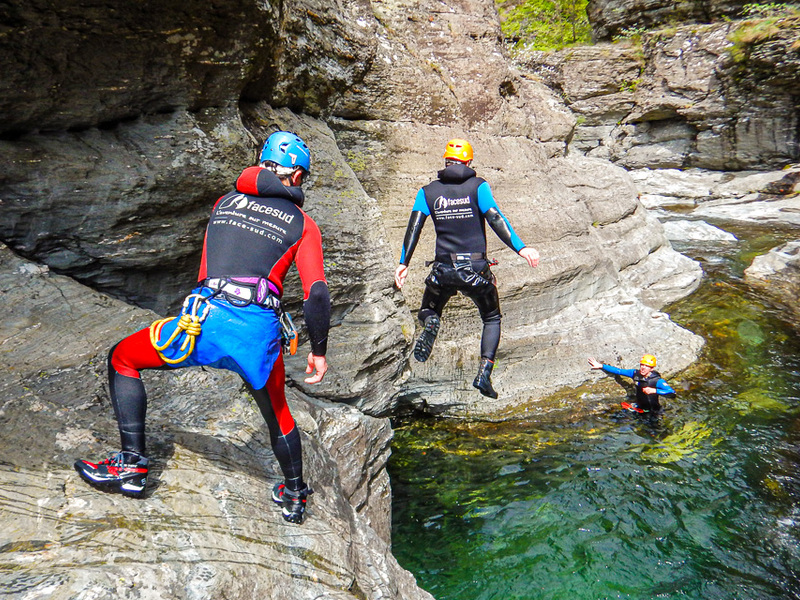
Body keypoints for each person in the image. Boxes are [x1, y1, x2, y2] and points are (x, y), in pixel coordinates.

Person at [74, 131, 331, 525]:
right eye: (303, 177)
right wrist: (318, 351)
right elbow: (316, 294)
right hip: (254, 335)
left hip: (200, 323)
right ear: (295, 175)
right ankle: (294, 496)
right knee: (278, 411)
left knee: (122, 358)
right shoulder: (304, 225)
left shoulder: (224, 202)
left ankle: (131, 464)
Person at [394, 138, 539, 399]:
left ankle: (432, 322)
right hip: (475, 270)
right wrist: (521, 248)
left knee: (427, 310)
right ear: (469, 162)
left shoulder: (427, 191)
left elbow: (413, 227)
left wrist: (404, 263)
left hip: (443, 269)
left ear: (445, 161)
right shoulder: (478, 186)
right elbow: (495, 218)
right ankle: (484, 373)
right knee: (491, 318)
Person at [588, 354, 676, 413]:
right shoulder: (634, 373)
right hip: (639, 408)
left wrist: (654, 390)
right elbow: (619, 371)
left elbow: (672, 393)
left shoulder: (657, 381)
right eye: (642, 365)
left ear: (651, 369)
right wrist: (601, 366)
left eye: (647, 366)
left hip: (653, 411)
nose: (643, 368)